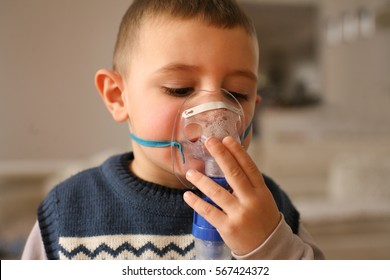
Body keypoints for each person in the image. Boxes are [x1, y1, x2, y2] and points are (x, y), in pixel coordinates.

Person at [22, 0, 324, 260]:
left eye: (238, 93)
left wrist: (268, 246)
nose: (214, 115)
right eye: (179, 89)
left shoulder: (267, 206)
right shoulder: (68, 210)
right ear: (117, 97)